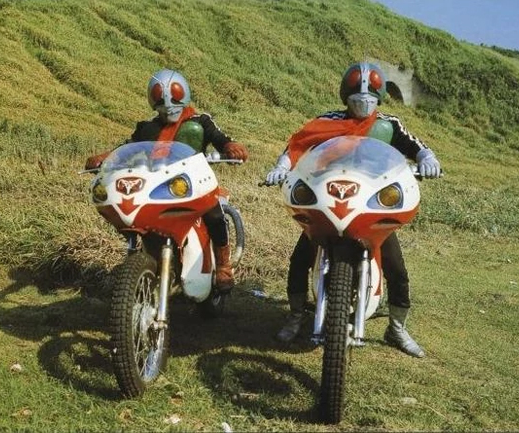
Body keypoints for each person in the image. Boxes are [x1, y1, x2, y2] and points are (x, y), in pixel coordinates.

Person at [263, 62, 441, 358]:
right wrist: (281, 167)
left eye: (370, 93)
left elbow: (415, 145)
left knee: (396, 267)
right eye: (357, 93)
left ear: (379, 96)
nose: (364, 99)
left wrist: (427, 158)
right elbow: (298, 144)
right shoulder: (327, 121)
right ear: (345, 94)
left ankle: (397, 327)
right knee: (300, 258)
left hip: (369, 204)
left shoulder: (388, 125)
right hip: (330, 199)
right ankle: (295, 316)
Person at [85, 69, 249, 292]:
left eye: (175, 95)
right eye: (160, 97)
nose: (169, 104)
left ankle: (223, 266)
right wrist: (106, 158)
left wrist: (231, 146)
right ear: (152, 100)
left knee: (214, 213)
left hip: (193, 182)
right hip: (157, 186)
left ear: (185, 94)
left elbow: (221, 139)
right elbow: (127, 147)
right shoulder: (146, 128)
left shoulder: (200, 122)